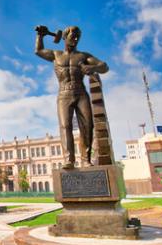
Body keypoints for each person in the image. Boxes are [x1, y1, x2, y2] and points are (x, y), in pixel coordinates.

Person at [35, 25, 108, 169]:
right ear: (64, 37)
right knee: (65, 126)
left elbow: (104, 66)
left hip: (81, 93)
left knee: (87, 126)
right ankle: (69, 159)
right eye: (72, 36)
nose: (75, 39)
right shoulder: (56, 55)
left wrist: (92, 68)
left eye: (77, 37)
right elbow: (38, 51)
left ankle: (86, 159)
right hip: (64, 94)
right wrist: (40, 36)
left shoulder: (84, 56)